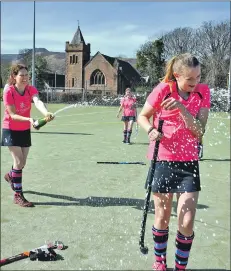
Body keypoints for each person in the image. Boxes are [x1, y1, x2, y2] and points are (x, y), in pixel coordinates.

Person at [137, 53, 210, 271]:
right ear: (177, 76)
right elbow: (143, 116)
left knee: (186, 221)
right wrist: (150, 129)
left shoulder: (203, 92)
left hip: (188, 163)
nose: (195, 83)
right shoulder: (163, 89)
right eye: (190, 79)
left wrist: (182, 108)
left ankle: (180, 267)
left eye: (198, 77)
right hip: (163, 159)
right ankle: (160, 262)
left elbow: (199, 131)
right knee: (162, 215)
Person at [1, 64, 55, 207]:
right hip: (10, 129)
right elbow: (12, 115)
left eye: (27, 75)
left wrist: (45, 113)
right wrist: (30, 119)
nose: (25, 78)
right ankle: (18, 196)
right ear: (14, 77)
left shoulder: (31, 89)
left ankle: (10, 176)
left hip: (24, 130)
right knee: (18, 162)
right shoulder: (9, 92)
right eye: (21, 75)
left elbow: (37, 101)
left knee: (22, 163)